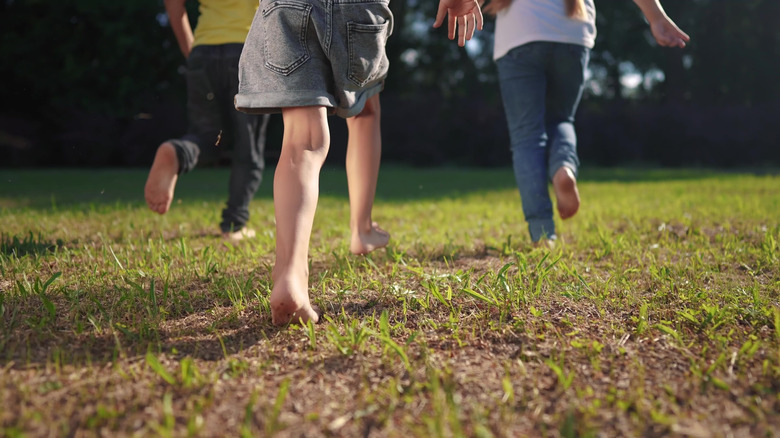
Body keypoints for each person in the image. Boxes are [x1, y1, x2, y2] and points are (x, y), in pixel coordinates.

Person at [235, 0, 483, 325]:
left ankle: (290, 276)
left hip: (287, 5)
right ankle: (362, 228)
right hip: (358, 9)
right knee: (365, 110)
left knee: (304, 140)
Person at [483, 0, 689, 245]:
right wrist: (656, 17)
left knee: (527, 136)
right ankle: (563, 169)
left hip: (520, 32)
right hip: (572, 31)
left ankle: (542, 232)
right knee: (561, 119)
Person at [144, 0, 271, 242]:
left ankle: (178, 152)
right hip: (248, 49)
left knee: (206, 136)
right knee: (249, 146)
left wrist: (193, 52)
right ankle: (234, 224)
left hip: (203, 50)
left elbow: (173, 6)